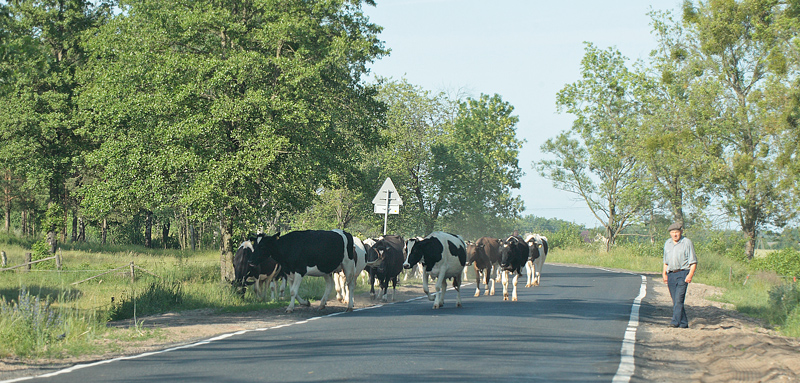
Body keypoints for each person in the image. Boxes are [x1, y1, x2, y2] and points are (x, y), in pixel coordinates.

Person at [662, 222, 698, 328]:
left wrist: (690, 274)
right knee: (676, 301)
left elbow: (693, 261)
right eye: (672, 232)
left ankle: (675, 322)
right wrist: (664, 274)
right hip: (671, 274)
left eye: (676, 232)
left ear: (681, 232)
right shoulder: (667, 243)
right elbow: (665, 261)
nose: (674, 234)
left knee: (679, 299)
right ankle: (683, 323)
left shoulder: (687, 243)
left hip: (683, 273)